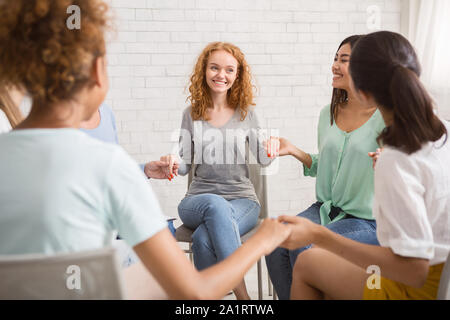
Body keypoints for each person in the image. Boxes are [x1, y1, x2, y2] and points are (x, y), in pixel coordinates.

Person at [0, 0, 291, 300]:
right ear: (98, 73)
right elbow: (192, 291)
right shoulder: (110, 168)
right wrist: (264, 240)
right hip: (195, 212)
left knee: (202, 240)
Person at [278, 30, 450, 300]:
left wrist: (320, 236)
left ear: (362, 90)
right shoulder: (443, 133)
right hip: (437, 279)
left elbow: (414, 270)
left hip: (410, 288)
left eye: (345, 61)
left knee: (308, 259)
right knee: (303, 258)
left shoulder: (394, 157)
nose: (336, 65)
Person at [264, 35, 386, 300]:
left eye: (344, 60)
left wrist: (390, 160)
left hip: (366, 220)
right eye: (335, 58)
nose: (335, 65)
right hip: (324, 210)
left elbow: (406, 160)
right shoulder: (327, 113)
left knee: (305, 246)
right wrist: (294, 150)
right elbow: (327, 166)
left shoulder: (384, 116)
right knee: (275, 241)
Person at [160, 42, 274, 300]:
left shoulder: (247, 114)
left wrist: (273, 147)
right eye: (214, 68)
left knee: (203, 238)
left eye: (229, 70)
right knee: (214, 205)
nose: (221, 75)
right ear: (204, 71)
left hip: (243, 201)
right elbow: (185, 165)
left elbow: (265, 160)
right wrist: (173, 160)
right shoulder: (191, 114)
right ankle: (243, 297)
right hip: (198, 201)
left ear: (237, 75)